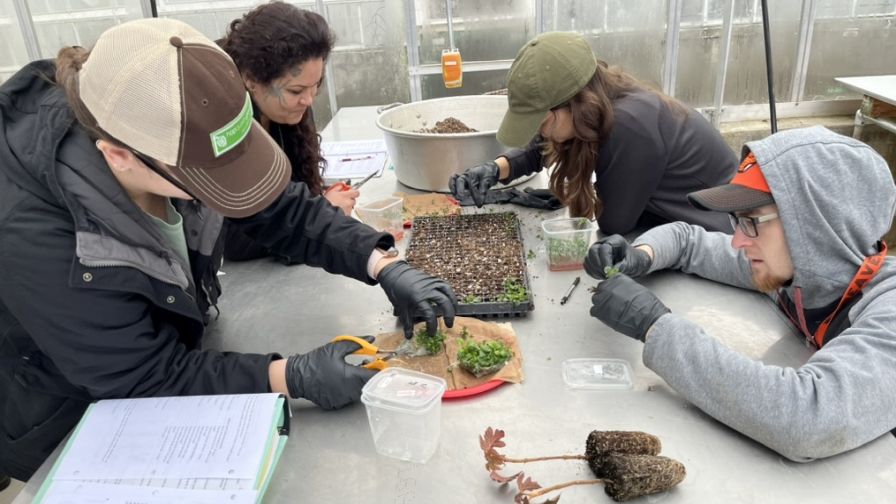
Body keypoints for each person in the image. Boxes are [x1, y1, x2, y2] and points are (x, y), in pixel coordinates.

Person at [0, 18, 456, 481]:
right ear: (118, 155)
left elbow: (277, 209)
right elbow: (142, 377)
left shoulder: (167, 130)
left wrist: (380, 262)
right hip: (61, 416)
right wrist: (287, 377)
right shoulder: (35, 235)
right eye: (204, 179)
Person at [586, 126, 896, 461]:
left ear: (815, 227)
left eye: (751, 222)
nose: (738, 241)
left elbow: (808, 419)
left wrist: (654, 326)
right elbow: (688, 240)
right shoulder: (800, 273)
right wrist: (641, 255)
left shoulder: (887, 308)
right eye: (737, 222)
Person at [450, 31, 737, 235]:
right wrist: (494, 169)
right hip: (665, 223)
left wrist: (572, 192)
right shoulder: (598, 103)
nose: (540, 133)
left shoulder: (631, 126)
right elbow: (542, 147)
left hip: (718, 231)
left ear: (572, 104)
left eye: (542, 122)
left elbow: (615, 223)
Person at [219, 1, 358, 261]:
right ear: (251, 79)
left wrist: (317, 204)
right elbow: (232, 240)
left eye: (316, 85)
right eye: (296, 91)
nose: (308, 100)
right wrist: (320, 215)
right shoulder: (220, 122)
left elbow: (298, 187)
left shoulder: (295, 101)